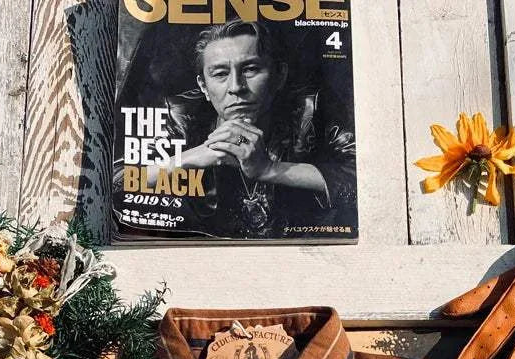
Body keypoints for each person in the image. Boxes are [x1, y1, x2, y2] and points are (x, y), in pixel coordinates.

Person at [132, 19, 356, 240]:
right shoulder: (180, 116)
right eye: (220, 73)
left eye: (250, 69)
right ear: (203, 86)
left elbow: (362, 180)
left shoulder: (312, 109)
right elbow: (120, 181)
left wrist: (269, 169)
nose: (236, 87)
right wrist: (188, 158)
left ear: (279, 75)